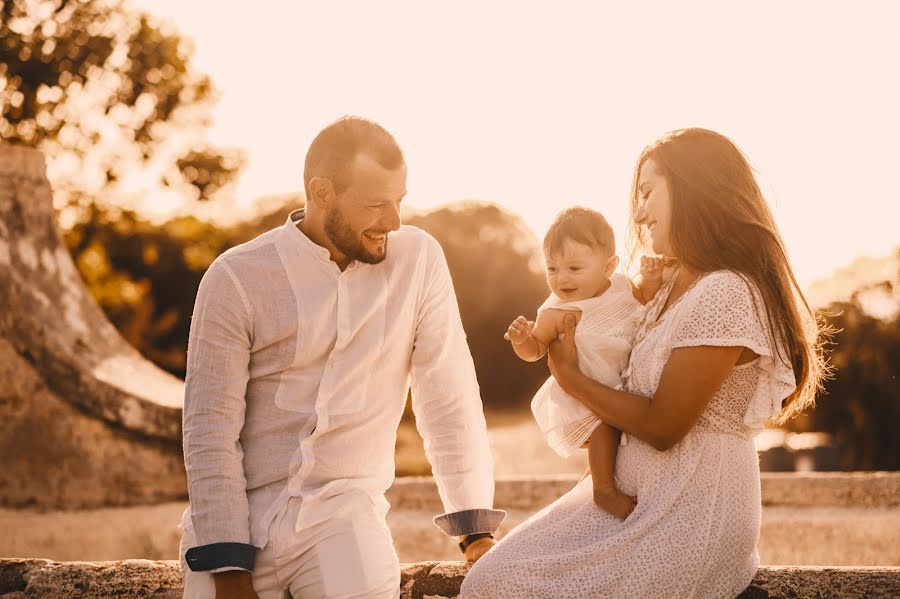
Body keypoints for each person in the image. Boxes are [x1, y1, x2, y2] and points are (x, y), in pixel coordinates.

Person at [462, 127, 829, 598]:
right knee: (490, 579)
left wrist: (569, 377)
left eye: (648, 192)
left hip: (689, 510)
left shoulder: (726, 291)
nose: (638, 212)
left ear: (693, 189)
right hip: (630, 504)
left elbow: (663, 425)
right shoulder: (664, 291)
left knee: (502, 585)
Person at [179, 116, 505, 599]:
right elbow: (209, 429)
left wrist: (474, 527)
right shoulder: (235, 279)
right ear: (322, 192)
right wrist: (228, 567)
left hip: (343, 516)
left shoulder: (418, 261)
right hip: (239, 521)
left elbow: (448, 396)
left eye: (399, 201)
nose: (393, 222)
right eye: (375, 205)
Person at [504, 207, 663, 519]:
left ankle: (610, 478)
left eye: (574, 268)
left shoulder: (621, 287)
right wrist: (522, 339)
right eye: (552, 269)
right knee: (605, 427)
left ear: (608, 267)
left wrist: (652, 278)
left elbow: (645, 299)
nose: (561, 278)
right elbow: (536, 350)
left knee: (629, 426)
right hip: (589, 390)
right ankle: (603, 489)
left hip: (623, 378)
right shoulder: (554, 313)